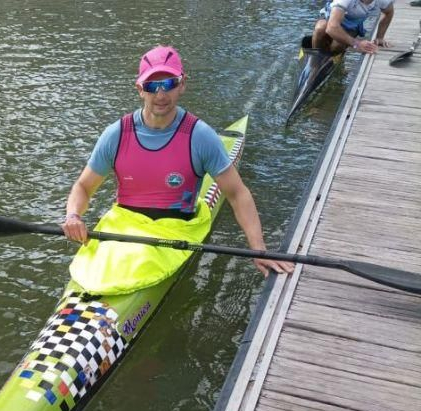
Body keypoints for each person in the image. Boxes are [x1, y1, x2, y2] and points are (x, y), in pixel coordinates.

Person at [62, 47, 295, 286]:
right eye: (152, 86)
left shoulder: (200, 136)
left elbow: (237, 194)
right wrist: (73, 216)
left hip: (176, 230)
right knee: (96, 269)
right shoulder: (116, 134)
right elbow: (83, 187)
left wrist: (259, 249)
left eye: (169, 83)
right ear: (140, 89)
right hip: (123, 226)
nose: (161, 94)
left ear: (182, 84)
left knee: (139, 259)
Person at [312, 0, 395, 55]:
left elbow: (389, 13)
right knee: (320, 29)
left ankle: (333, 56)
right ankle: (314, 58)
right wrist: (357, 44)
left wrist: (380, 37)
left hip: (351, 25)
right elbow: (331, 28)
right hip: (331, 17)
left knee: (337, 46)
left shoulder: (383, 1)